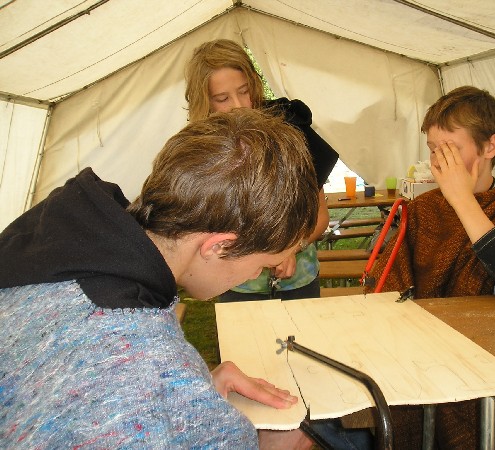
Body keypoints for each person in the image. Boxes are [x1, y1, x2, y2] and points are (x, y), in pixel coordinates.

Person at [0, 109, 319, 449]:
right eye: (263, 265)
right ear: (218, 246)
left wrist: (190, 392)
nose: (259, 274)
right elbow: (128, 396)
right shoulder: (142, 377)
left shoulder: (48, 236)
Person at [367, 86, 495, 448]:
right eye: (433, 150)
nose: (439, 163)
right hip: (427, 358)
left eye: (451, 150)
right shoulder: (425, 209)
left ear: (490, 146)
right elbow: (386, 283)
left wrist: (461, 199)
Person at [185, 38, 339, 301]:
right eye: (222, 98)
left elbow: (320, 217)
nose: (238, 105)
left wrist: (291, 248)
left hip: (298, 283)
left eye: (244, 91)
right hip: (236, 286)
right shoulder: (201, 152)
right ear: (206, 102)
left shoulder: (290, 131)